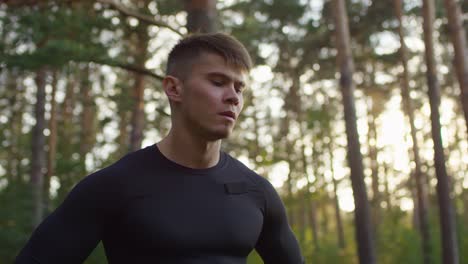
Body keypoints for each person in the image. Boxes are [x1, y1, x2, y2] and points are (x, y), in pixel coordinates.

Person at [15, 33, 304, 264]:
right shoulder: (114, 185)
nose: (233, 97)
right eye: (218, 82)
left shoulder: (256, 192)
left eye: (240, 89)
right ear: (173, 89)